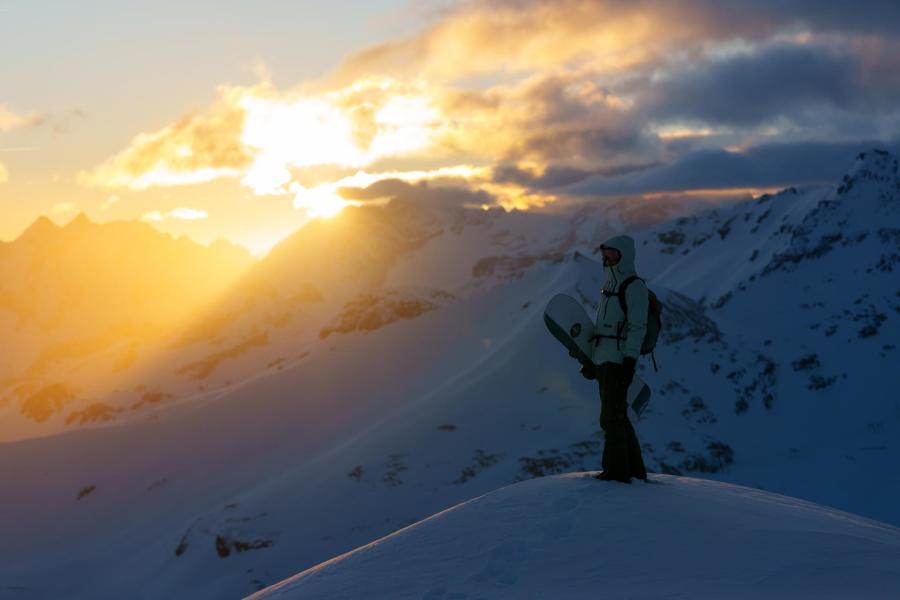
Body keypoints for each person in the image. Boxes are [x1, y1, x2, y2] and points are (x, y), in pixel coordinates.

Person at [581, 234, 648, 483]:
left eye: (612, 254)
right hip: (604, 359)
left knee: (610, 417)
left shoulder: (634, 287)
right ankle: (634, 470)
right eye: (604, 254)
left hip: (618, 361)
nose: (606, 259)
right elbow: (602, 328)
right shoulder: (609, 286)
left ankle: (616, 472)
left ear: (624, 255)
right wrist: (591, 361)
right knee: (618, 416)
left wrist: (629, 363)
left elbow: (637, 327)